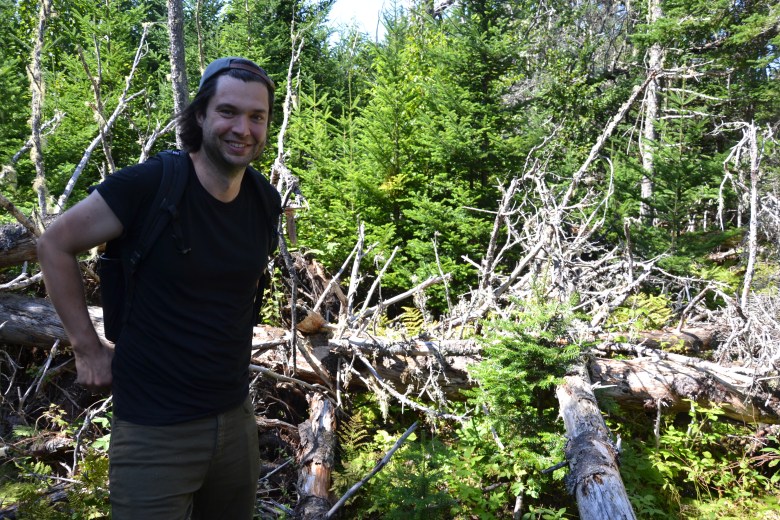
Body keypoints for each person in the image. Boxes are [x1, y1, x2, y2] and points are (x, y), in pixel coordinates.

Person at [37, 57, 280, 520]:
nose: (243, 128)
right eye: (228, 111)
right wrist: (87, 348)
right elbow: (54, 244)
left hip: (234, 419)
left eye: (257, 116)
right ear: (201, 115)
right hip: (153, 428)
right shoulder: (150, 185)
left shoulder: (262, 200)